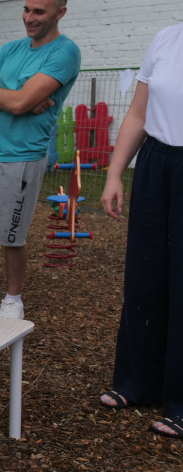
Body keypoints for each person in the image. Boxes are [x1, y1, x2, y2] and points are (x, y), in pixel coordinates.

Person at [0, 0, 82, 320]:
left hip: (23, 158)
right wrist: (14, 99)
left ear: (60, 12)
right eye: (26, 9)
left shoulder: (65, 52)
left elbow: (15, 101)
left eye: (39, 11)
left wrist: (8, 95)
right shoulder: (10, 49)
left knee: (11, 237)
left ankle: (13, 299)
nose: (29, 17)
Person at [98, 22, 183, 440]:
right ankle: (138, 382)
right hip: (156, 165)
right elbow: (138, 113)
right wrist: (116, 173)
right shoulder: (167, 37)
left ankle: (181, 402)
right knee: (145, 276)